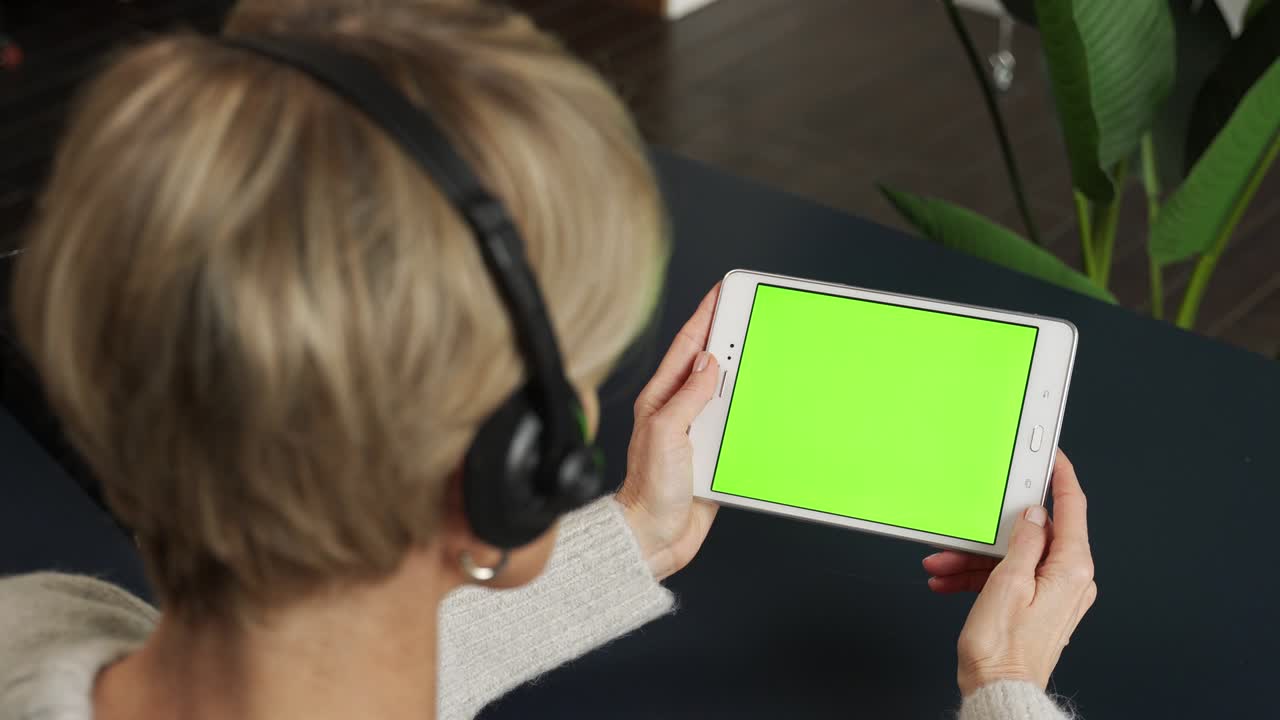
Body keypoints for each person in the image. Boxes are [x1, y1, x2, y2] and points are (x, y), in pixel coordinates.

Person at [0, 2, 1096, 719]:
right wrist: (1002, 692)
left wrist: (636, 530)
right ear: (506, 467)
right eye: (576, 364)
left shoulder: (38, 628)